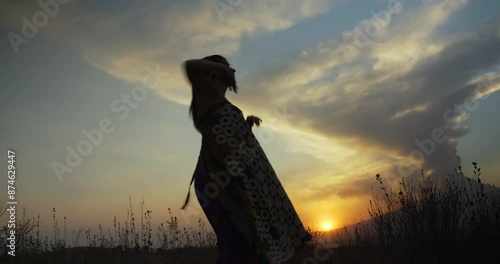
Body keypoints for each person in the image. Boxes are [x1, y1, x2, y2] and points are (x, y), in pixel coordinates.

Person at [181, 55, 312, 263]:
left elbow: (226, 140)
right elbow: (190, 66)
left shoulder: (219, 102)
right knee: (238, 241)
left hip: (238, 178)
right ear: (215, 73)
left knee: (249, 240)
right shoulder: (206, 96)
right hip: (222, 180)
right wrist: (219, 67)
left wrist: (246, 125)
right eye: (229, 68)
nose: (233, 72)